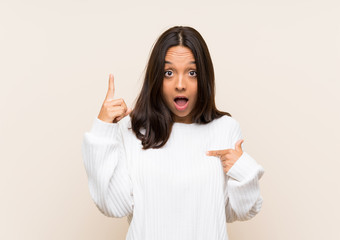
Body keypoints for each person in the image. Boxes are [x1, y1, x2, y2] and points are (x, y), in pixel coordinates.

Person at [81, 26, 265, 240]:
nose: (180, 85)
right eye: (168, 73)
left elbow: (237, 212)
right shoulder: (132, 129)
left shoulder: (224, 128)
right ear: (156, 79)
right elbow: (113, 205)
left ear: (204, 77)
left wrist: (243, 170)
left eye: (192, 73)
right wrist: (103, 129)